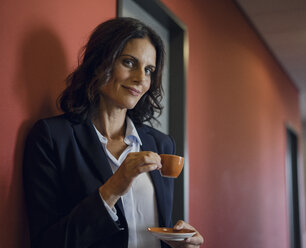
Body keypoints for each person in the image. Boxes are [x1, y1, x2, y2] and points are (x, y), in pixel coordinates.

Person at [23, 17, 204, 248]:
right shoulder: (52, 137)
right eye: (129, 62)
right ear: (100, 64)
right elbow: (46, 243)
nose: (141, 78)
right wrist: (113, 188)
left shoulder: (161, 144)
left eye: (149, 70)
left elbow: (154, 232)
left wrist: (179, 243)